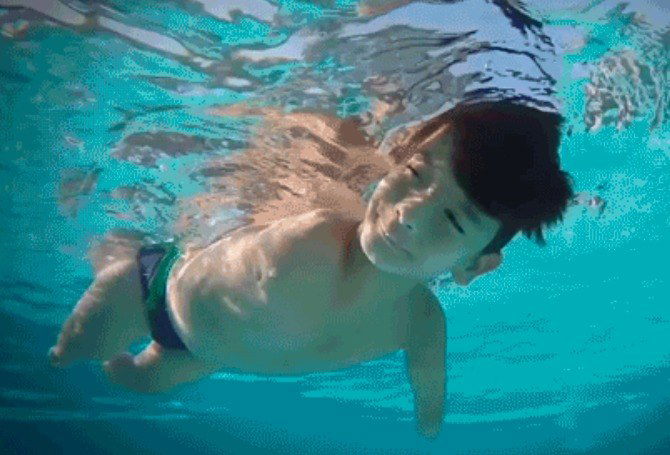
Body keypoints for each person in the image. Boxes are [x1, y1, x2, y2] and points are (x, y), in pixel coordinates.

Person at [47, 101, 574, 438]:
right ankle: (115, 263)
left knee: (139, 383)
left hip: (206, 355)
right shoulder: (312, 239)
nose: (411, 213)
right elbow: (256, 199)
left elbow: (429, 393)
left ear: (475, 267)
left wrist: (430, 426)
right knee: (69, 359)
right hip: (149, 290)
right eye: (414, 173)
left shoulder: (422, 324)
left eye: (455, 219)